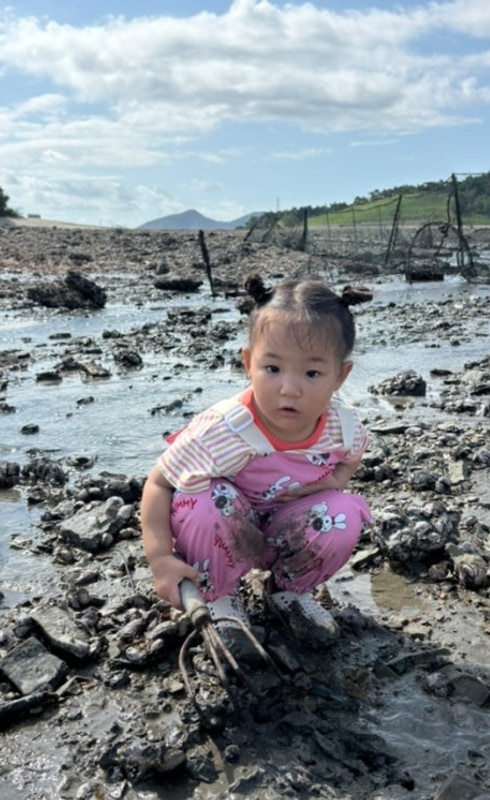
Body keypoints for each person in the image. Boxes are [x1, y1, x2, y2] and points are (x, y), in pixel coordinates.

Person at [140, 272, 373, 649]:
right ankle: (219, 596)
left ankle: (287, 591)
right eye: (272, 369)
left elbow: (354, 455)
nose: (290, 388)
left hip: (286, 529)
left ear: (340, 376)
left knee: (343, 512)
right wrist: (160, 559)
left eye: (312, 372)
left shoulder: (342, 427)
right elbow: (159, 482)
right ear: (248, 363)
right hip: (226, 532)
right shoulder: (221, 429)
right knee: (203, 499)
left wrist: (335, 483)